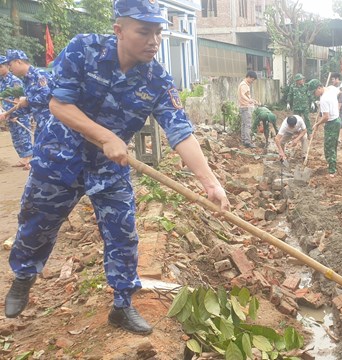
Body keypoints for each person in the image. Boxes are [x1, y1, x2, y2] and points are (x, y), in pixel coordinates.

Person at [3, 0, 230, 336]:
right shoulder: (83, 49)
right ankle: (23, 276)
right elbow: (59, 104)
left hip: (109, 169)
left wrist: (210, 183)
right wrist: (106, 135)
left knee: (123, 236)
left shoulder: (157, 80)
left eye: (158, 32)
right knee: (37, 225)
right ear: (119, 30)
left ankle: (122, 305)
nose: (154, 40)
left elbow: (180, 130)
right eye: (144, 31)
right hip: (58, 158)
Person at [2, 49, 53, 140]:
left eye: (10, 65)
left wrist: (27, 100)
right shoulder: (26, 80)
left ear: (18, 62)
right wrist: (9, 114)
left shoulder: (39, 75)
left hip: (52, 124)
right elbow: (29, 106)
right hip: (41, 125)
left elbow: (48, 96)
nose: (10, 69)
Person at [0, 55, 33, 170]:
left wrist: (15, 113)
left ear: (6, 67)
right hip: (8, 113)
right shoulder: (1, 81)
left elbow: (19, 97)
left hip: (19, 112)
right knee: (15, 137)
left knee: (23, 135)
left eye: (0, 67)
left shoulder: (14, 80)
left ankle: (28, 159)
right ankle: (23, 158)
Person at [309, 78, 341, 177]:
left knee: (328, 148)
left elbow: (326, 117)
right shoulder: (331, 89)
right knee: (333, 146)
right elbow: (339, 91)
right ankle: (333, 165)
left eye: (314, 92)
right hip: (337, 120)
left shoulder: (324, 100)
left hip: (331, 123)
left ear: (319, 88)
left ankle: (332, 171)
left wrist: (317, 124)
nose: (314, 94)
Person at [238, 70, 259, 148]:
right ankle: (247, 141)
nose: (252, 81)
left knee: (244, 124)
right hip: (245, 107)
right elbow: (242, 95)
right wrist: (249, 100)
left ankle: (244, 140)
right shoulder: (244, 85)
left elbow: (246, 96)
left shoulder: (245, 85)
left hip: (244, 106)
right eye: (252, 79)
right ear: (249, 77)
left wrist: (253, 101)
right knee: (247, 125)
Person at [331, 72, 342, 142]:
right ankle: (338, 136)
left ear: (337, 79)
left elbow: (340, 101)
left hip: (341, 108)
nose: (332, 81)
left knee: (341, 122)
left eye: (333, 79)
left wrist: (337, 110)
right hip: (335, 107)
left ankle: (340, 138)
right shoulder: (335, 87)